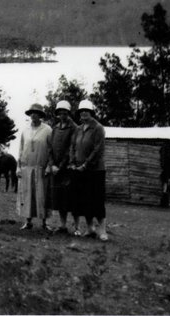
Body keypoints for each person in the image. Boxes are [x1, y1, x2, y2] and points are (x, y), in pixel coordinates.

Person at [70, 99, 108, 241]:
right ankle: (90, 228)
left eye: (87, 111)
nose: (84, 113)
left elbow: (97, 150)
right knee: (85, 200)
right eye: (81, 111)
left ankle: (103, 230)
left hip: (95, 170)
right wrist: (72, 162)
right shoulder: (79, 129)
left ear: (91, 112)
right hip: (79, 170)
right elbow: (73, 147)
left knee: (97, 200)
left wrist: (85, 165)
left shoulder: (98, 128)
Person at [17, 103, 53, 230]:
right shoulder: (25, 130)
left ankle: (45, 223)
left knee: (42, 195)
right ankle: (28, 221)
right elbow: (21, 149)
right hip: (27, 167)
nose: (34, 115)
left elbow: (51, 150)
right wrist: (18, 167)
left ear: (41, 115)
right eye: (32, 112)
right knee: (28, 195)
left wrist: (49, 165)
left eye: (36, 113)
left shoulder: (47, 130)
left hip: (41, 167)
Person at [48, 100, 79, 233]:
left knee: (72, 199)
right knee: (60, 198)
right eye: (60, 113)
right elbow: (50, 148)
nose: (62, 115)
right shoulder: (55, 128)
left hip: (68, 169)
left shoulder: (74, 128)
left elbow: (70, 149)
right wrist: (52, 164)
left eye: (65, 113)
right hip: (56, 170)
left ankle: (76, 227)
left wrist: (60, 166)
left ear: (68, 113)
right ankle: (63, 225)